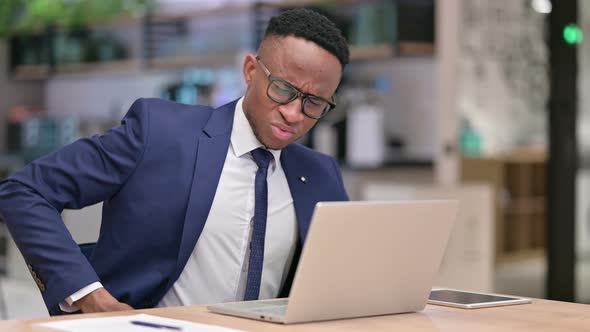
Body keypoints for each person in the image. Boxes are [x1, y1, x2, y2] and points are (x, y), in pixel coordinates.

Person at [0, 8, 349, 315]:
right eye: (283, 90)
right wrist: (91, 297)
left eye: (314, 102)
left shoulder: (320, 175)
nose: (293, 114)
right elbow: (24, 191)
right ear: (250, 70)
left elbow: (335, 286)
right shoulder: (160, 133)